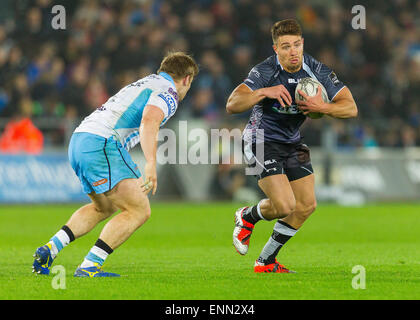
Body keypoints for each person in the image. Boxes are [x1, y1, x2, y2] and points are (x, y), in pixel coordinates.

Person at [32, 52, 199, 277]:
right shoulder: (168, 92)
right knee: (139, 209)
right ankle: (90, 266)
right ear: (187, 79)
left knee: (104, 207)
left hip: (80, 139)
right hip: (102, 143)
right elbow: (149, 121)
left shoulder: (146, 81)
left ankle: (50, 249)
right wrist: (151, 162)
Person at [226, 19, 357, 273]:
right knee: (284, 206)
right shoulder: (264, 72)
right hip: (260, 140)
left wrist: (323, 108)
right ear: (276, 49)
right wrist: (265, 92)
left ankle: (265, 261)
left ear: (302, 43)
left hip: (292, 141)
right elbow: (232, 104)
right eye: (286, 47)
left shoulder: (316, 70)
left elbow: (351, 107)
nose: (293, 51)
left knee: (306, 205)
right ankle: (247, 216)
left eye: (297, 45)